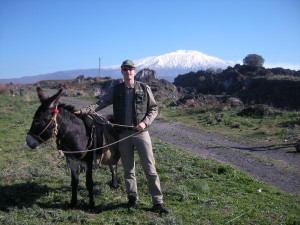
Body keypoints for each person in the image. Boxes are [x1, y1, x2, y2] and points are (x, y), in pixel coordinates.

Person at [76, 60, 169, 214]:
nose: (128, 72)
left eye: (130, 69)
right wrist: (84, 111)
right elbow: (102, 103)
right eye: (125, 69)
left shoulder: (143, 88)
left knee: (150, 169)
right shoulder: (117, 89)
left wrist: (145, 123)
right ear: (122, 72)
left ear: (134, 71)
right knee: (128, 169)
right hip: (123, 135)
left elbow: (154, 109)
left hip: (141, 134)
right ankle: (132, 198)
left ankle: (158, 202)